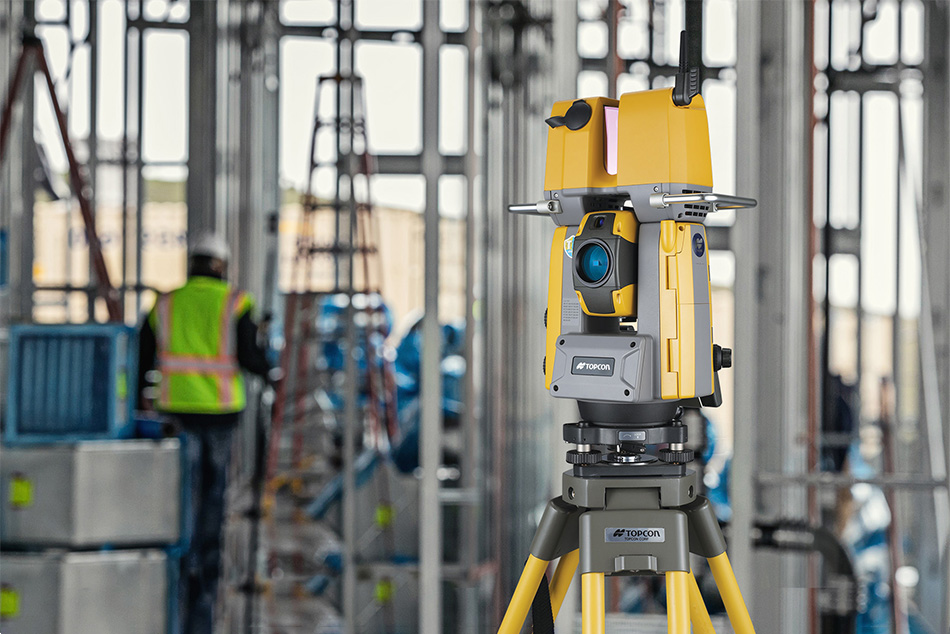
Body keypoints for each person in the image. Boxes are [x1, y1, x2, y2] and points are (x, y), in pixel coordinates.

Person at [138, 232, 274, 634]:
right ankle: (206, 573)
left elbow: (141, 356)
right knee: (214, 494)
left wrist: (142, 395)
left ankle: (180, 562)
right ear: (220, 265)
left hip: (175, 414)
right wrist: (272, 371)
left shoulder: (165, 303)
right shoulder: (236, 302)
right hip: (220, 414)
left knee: (180, 491)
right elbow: (250, 357)